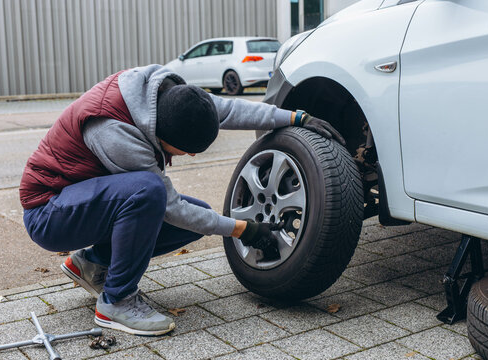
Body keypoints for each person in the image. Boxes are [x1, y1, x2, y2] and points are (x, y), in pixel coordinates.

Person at [20, 64, 344, 336]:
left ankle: (92, 262)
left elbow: (231, 109)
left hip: (87, 201)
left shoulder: (172, 100)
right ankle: (116, 303)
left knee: (198, 215)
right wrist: (243, 229)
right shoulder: (117, 131)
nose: (189, 154)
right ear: (162, 136)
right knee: (148, 192)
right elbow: (170, 207)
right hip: (49, 212)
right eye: (185, 149)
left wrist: (295, 118)